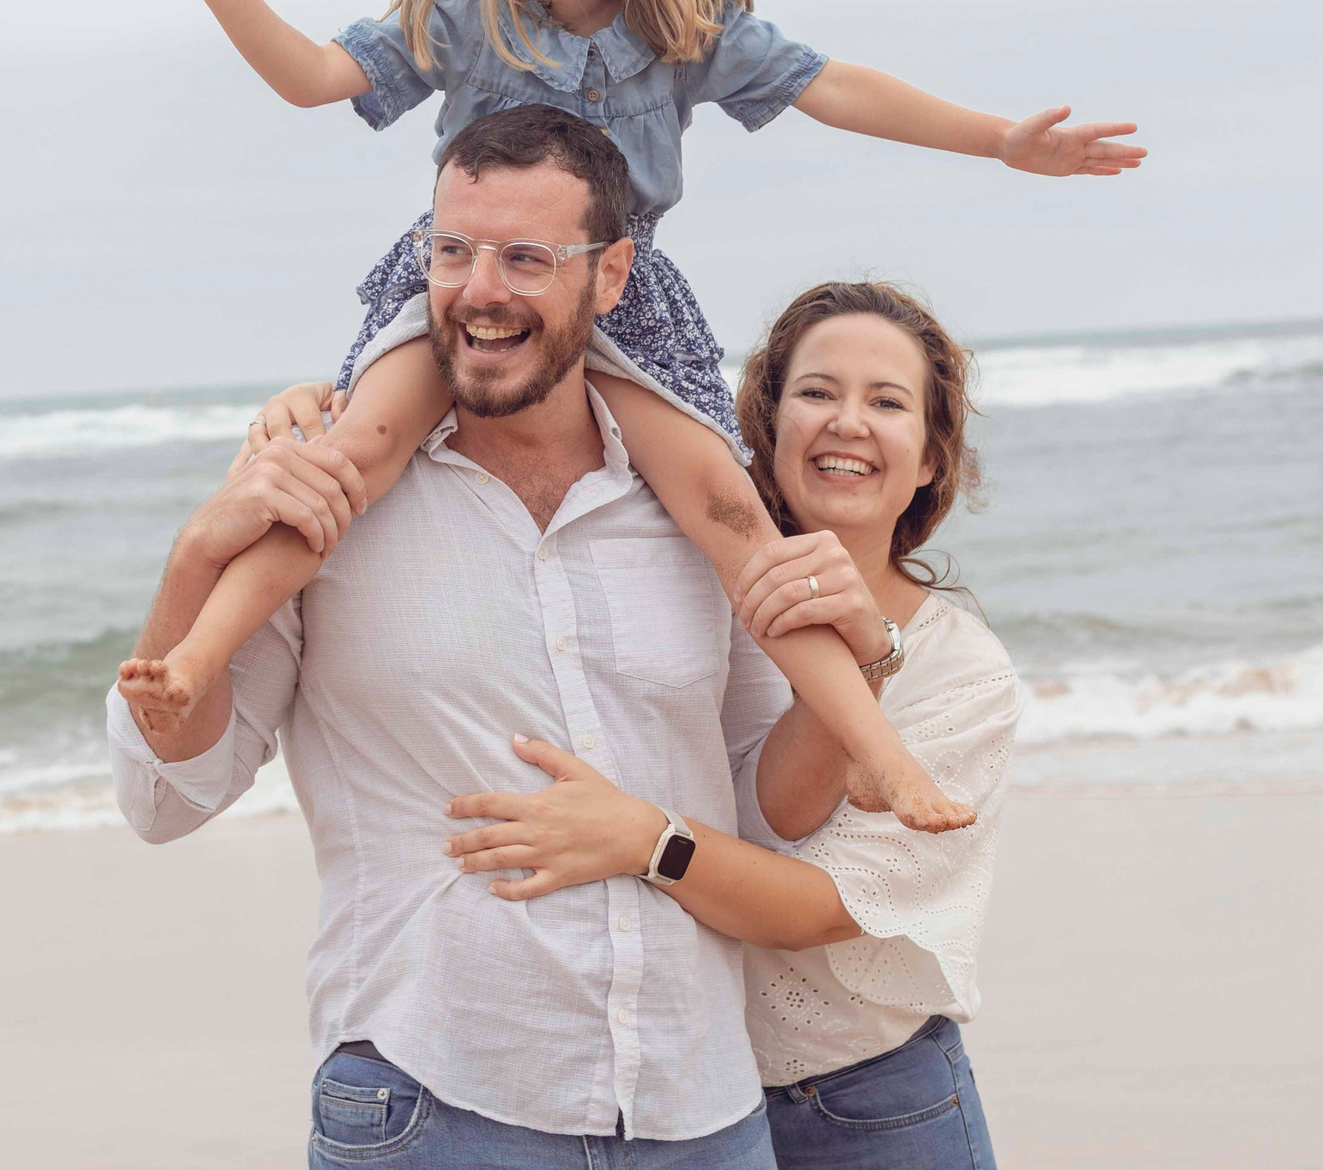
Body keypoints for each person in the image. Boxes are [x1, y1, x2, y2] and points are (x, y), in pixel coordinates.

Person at [117, 0, 1136, 834]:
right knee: (348, 458)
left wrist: (999, 142)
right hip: (478, 279)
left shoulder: (679, 18)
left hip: (620, 287)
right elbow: (314, 78)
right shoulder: (464, 14)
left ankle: (877, 752)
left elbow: (833, 88)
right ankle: (195, 655)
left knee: (730, 513)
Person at [111, 109, 888, 1166]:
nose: (479, 291)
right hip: (435, 1099)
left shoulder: (694, 505)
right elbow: (163, 801)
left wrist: (861, 679)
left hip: (698, 1106)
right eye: (451, 253)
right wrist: (193, 557)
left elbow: (767, 810)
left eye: (527, 258)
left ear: (611, 276)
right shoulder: (327, 485)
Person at [390, 281, 1018, 1168]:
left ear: (928, 459)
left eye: (887, 402)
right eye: (815, 392)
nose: (847, 421)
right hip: (676, 1102)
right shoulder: (677, 599)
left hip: (873, 1102)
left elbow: (817, 909)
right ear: (760, 429)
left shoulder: (965, 671)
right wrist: (318, 410)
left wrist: (648, 839)